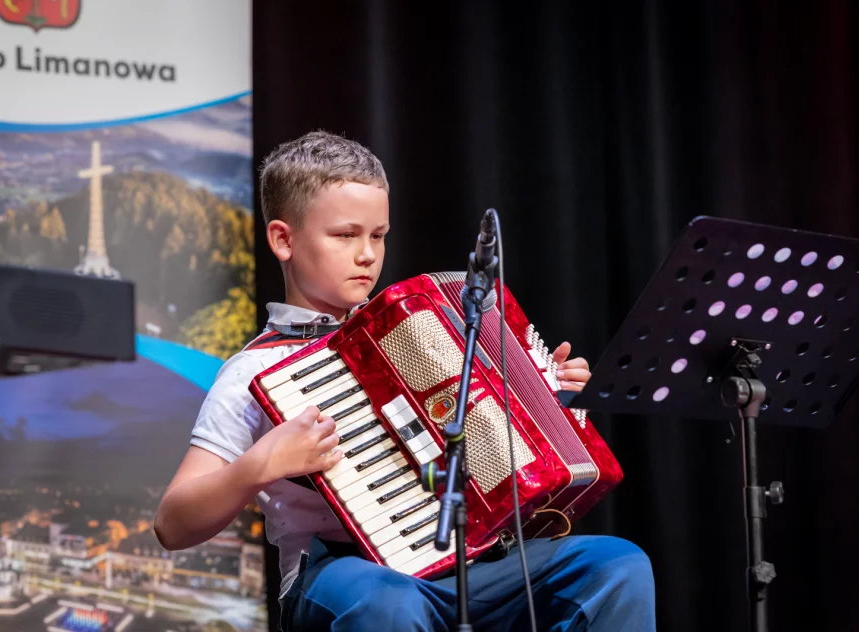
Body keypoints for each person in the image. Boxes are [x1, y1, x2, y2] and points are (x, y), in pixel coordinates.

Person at [154, 130, 655, 631]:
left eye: (378, 235)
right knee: (387, 603)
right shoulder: (252, 371)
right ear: (283, 239)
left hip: (470, 562)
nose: (368, 254)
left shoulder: (420, 333)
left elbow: (472, 467)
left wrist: (545, 404)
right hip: (341, 570)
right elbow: (173, 524)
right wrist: (256, 466)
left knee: (616, 565)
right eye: (345, 235)